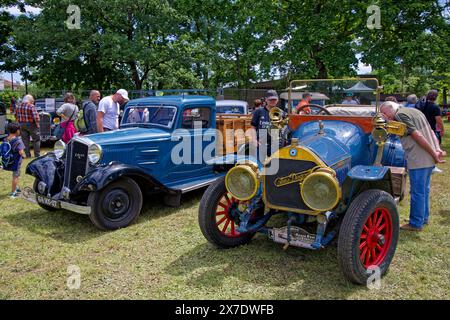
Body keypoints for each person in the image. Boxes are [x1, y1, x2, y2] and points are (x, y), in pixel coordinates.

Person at [380, 101, 446, 231]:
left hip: (419, 158)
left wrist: (435, 154)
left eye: (385, 113)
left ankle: (415, 223)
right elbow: (432, 132)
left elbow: (418, 135)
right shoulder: (415, 111)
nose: (385, 117)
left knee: (417, 192)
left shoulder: (400, 115)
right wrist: (437, 149)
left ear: (392, 108)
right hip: (427, 158)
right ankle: (423, 218)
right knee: (423, 191)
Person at [249, 89, 279, 159]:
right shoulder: (259, 111)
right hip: (261, 144)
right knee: (259, 166)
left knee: (274, 167)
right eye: (270, 99)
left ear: (277, 100)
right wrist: (254, 140)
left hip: (275, 145)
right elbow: (253, 127)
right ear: (266, 100)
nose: (272, 101)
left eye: (274, 99)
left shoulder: (281, 113)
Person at [2, 122, 26, 199]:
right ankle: (13, 192)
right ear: (18, 131)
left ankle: (16, 188)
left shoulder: (6, 139)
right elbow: (21, 151)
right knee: (15, 176)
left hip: (8, 161)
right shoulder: (18, 141)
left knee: (16, 175)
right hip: (16, 162)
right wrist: (24, 156)